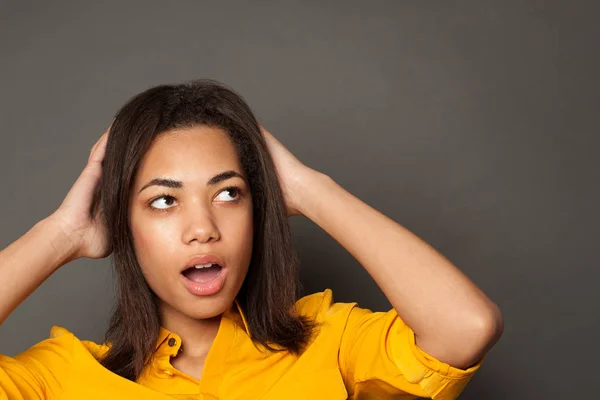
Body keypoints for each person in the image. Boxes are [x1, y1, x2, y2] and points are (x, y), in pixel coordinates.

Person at [0, 79, 503, 399]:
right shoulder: (63, 379)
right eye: (163, 200)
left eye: (227, 194)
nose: (203, 229)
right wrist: (60, 234)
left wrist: (309, 188)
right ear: (123, 227)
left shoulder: (330, 343)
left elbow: (466, 326)